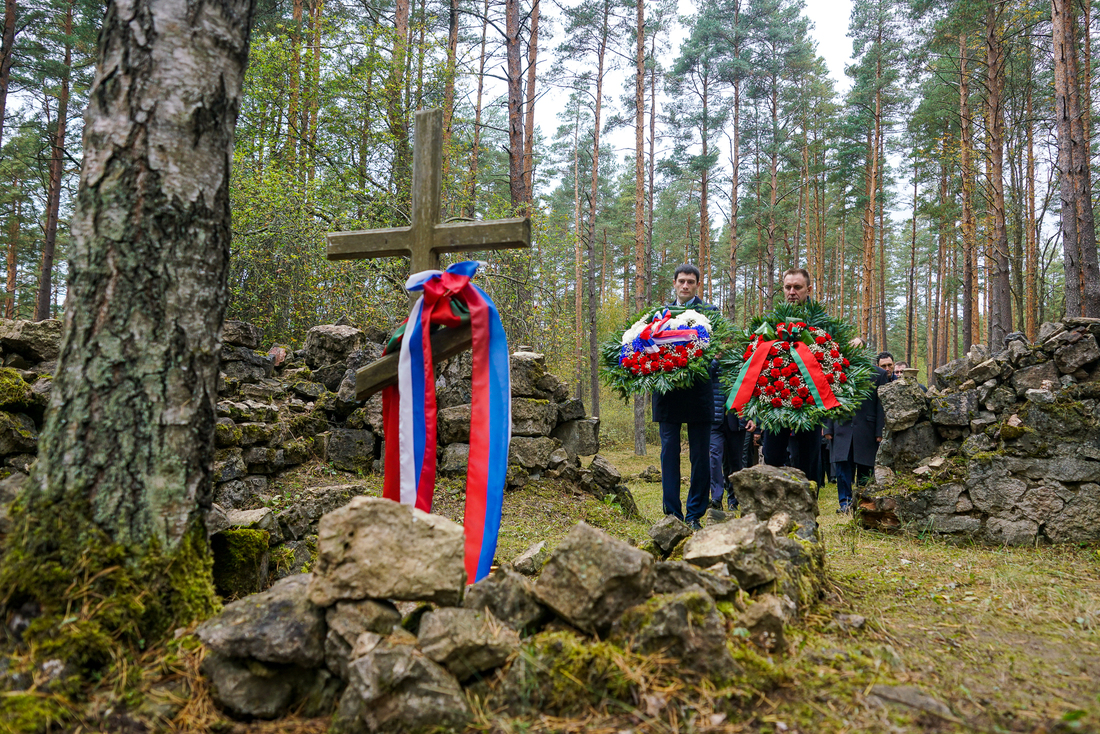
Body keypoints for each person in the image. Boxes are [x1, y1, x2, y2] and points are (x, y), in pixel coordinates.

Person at [653, 264, 716, 530]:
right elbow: (647, 349)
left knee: (700, 455)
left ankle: (694, 514)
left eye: (691, 281)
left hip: (699, 392)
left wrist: (694, 368)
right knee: (669, 453)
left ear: (698, 285)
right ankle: (672, 513)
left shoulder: (711, 314)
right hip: (667, 395)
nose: (686, 286)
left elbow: (718, 352)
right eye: (681, 281)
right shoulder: (659, 314)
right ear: (674, 283)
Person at [756, 268, 823, 480]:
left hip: (810, 404)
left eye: (797, 287)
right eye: (788, 287)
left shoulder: (821, 321)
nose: (792, 292)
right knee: (773, 456)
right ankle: (775, 509)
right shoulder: (770, 322)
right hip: (776, 402)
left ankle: (807, 508)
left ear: (809, 289)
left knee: (807, 460)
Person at [825, 339, 889, 512]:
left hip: (866, 429)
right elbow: (830, 400)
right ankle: (844, 503)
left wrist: (879, 431)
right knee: (842, 468)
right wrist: (828, 428)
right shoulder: (837, 372)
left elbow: (880, 406)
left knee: (865, 468)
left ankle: (862, 503)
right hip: (842, 427)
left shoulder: (878, 374)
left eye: (858, 349)